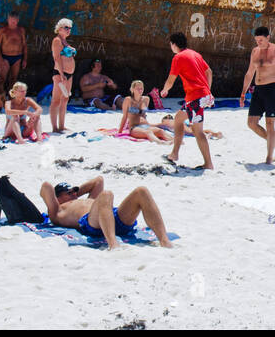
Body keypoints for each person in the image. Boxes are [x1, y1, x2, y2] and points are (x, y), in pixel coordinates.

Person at [40, 176, 171, 248]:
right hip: (92, 223)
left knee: (141, 191)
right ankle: (113, 244)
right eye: (69, 192)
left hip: (110, 216)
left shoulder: (89, 199)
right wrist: (59, 199)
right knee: (106, 194)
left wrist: (75, 192)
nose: (74, 193)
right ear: (58, 197)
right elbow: (46, 186)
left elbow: (98, 180)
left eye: (75, 191)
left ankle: (164, 241)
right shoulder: (57, 211)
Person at [162, 33, 214, 169]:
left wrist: (165, 90)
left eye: (170, 44)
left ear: (174, 44)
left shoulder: (178, 57)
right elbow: (209, 72)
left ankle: (208, 164)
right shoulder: (195, 54)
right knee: (178, 119)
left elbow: (171, 79)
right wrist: (207, 91)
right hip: (198, 96)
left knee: (198, 132)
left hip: (196, 97)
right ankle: (174, 154)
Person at [240, 26, 275, 164]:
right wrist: (243, 92)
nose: (259, 43)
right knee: (251, 123)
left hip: (272, 89)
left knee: (269, 123)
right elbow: (250, 73)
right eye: (256, 40)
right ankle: (272, 141)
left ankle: (269, 157)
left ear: (268, 37)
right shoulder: (255, 51)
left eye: (261, 40)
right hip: (258, 89)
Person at [49, 18, 77, 132]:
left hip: (69, 74)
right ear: (59, 28)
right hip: (61, 73)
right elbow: (57, 58)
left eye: (70, 28)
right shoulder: (57, 40)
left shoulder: (65, 41)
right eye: (66, 28)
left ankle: (61, 125)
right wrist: (61, 74)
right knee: (56, 100)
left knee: (65, 99)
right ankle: (55, 127)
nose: (68, 30)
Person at [0, 10, 29, 89]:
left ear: (18, 20)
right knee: (1, 79)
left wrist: (25, 59)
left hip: (17, 58)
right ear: (8, 20)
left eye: (14, 21)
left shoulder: (21, 30)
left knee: (13, 79)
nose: (12, 22)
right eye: (11, 20)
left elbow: (24, 45)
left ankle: (11, 99)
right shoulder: (2, 31)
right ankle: (0, 99)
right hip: (5, 57)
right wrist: (0, 59)